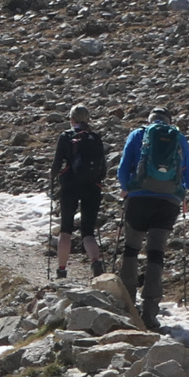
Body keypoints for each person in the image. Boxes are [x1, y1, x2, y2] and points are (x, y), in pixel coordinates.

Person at [117, 106, 189, 331]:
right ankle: (150, 313)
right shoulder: (179, 138)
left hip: (138, 200)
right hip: (168, 203)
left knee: (131, 249)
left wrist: (128, 188)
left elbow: (122, 171)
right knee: (156, 253)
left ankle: (128, 307)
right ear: (169, 121)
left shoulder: (138, 135)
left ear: (149, 121)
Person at [52, 104, 107, 280]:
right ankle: (95, 262)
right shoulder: (95, 138)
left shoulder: (66, 136)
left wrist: (54, 179)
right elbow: (103, 168)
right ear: (88, 119)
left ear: (71, 119)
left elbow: (56, 165)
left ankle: (61, 270)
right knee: (88, 231)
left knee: (65, 230)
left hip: (70, 187)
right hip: (92, 187)